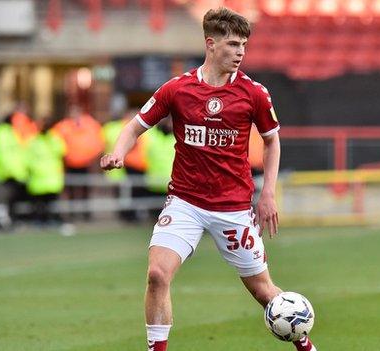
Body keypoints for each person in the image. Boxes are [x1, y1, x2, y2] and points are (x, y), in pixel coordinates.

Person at [101, 7, 317, 351]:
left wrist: (268, 194)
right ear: (210, 43)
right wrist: (118, 152)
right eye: (233, 44)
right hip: (185, 202)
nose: (240, 52)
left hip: (232, 207)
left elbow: (272, 140)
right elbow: (136, 125)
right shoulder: (177, 89)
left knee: (265, 293)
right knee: (157, 274)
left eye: (243, 44)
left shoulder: (254, 93)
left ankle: (305, 344)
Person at [53, 105, 105, 220]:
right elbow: (55, 141)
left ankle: (85, 212)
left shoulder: (90, 125)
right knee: (71, 190)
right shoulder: (63, 126)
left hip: (86, 163)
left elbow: (98, 142)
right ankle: (73, 212)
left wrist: (91, 157)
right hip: (69, 163)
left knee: (85, 189)